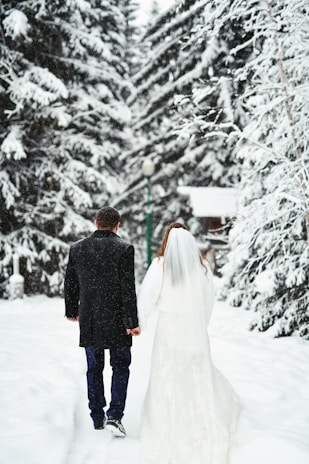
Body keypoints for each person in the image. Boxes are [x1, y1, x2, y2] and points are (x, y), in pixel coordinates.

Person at [138, 222, 239, 464]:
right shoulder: (203, 267)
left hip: (169, 330)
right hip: (194, 329)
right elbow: (208, 301)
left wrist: (141, 322)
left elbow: (147, 298)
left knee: (168, 374)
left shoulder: (160, 266)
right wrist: (200, 324)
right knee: (196, 374)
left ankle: (167, 421)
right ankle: (201, 420)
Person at [64, 206, 140, 437]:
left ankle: (97, 416)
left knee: (94, 367)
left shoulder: (77, 249)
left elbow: (70, 283)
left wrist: (71, 310)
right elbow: (128, 289)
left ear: (96, 223)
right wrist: (132, 321)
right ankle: (115, 416)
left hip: (90, 317)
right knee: (120, 366)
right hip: (117, 318)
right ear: (118, 225)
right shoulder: (124, 249)